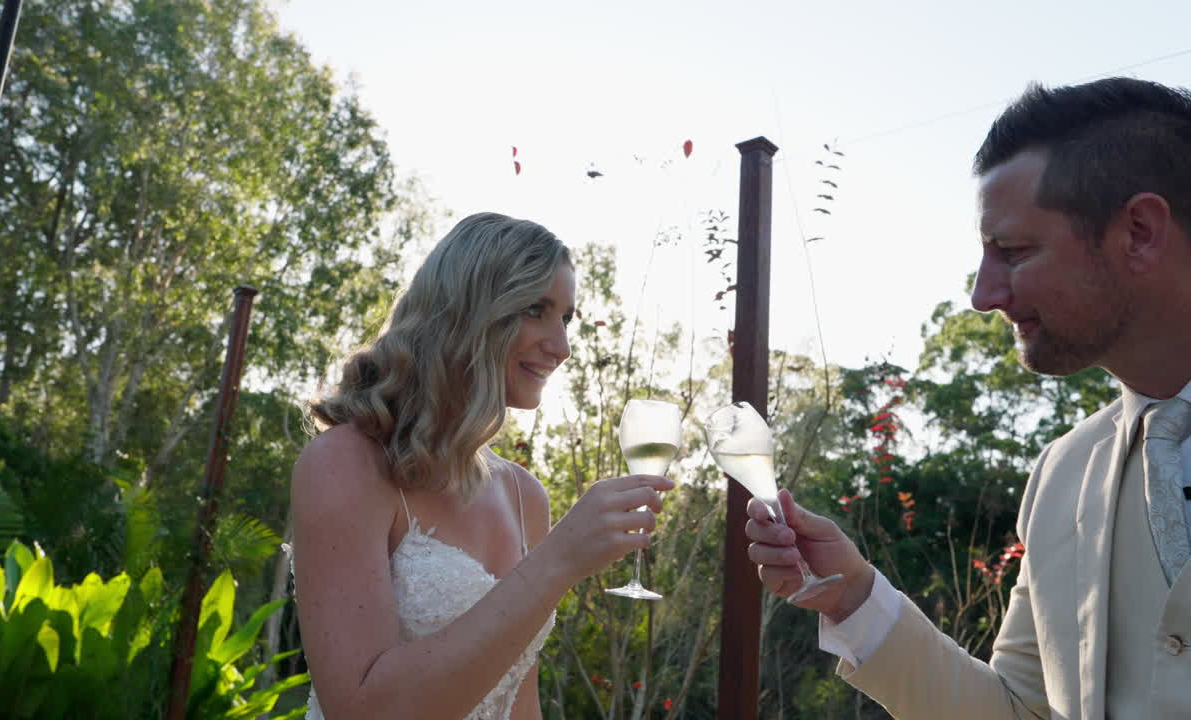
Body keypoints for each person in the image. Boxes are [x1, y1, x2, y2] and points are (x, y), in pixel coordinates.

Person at [746, 77, 1191, 720]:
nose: (984, 295)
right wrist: (854, 599)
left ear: (1142, 231)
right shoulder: (1064, 476)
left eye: (1011, 251)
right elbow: (1020, 711)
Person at [290, 212, 673, 720]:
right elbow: (360, 708)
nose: (561, 346)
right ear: (465, 309)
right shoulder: (344, 462)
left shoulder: (525, 495)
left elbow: (520, 701)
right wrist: (558, 561)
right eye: (536, 309)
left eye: (566, 318)